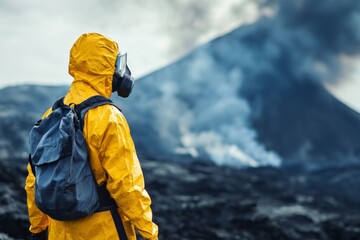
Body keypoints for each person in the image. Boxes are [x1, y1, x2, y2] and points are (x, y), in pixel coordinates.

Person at [24, 32, 158, 240]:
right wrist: (150, 233)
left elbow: (35, 180)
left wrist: (38, 228)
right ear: (107, 69)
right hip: (104, 230)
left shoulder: (50, 116)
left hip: (60, 233)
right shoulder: (109, 117)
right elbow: (127, 185)